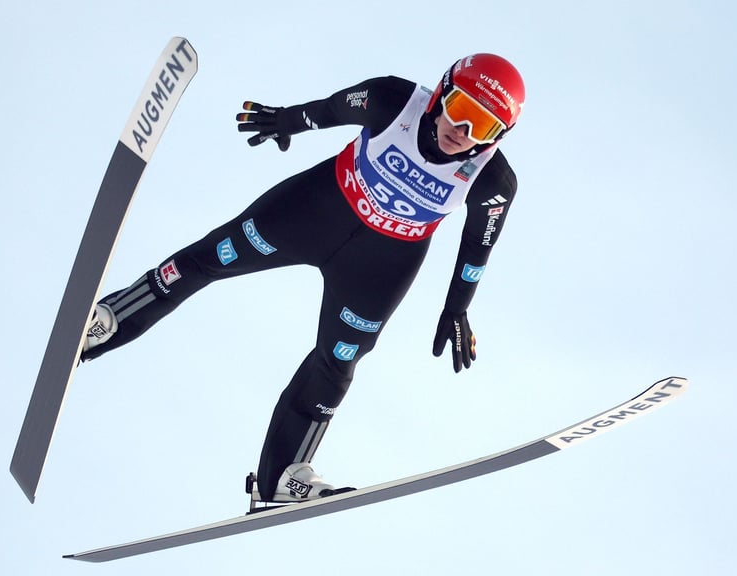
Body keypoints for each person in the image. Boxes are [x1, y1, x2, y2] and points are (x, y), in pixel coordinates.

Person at [80, 53, 526, 504]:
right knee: (208, 258)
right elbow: (330, 110)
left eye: (483, 127)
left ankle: (282, 478)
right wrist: (285, 122)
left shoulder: (493, 180)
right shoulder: (394, 100)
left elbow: (477, 248)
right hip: (314, 211)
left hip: (382, 262)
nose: (463, 132)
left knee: (338, 361)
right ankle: (107, 322)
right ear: (442, 92)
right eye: (462, 110)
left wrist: (457, 308)